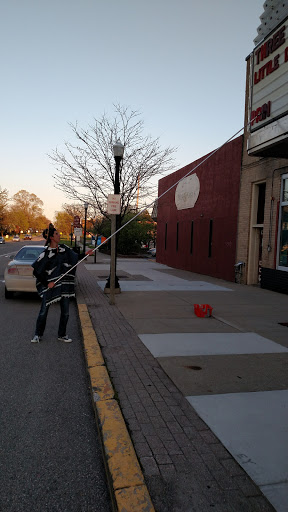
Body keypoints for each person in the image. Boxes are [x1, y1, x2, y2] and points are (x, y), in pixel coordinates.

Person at [30, 225, 79, 343]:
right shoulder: (45, 254)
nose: (59, 235)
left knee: (66, 312)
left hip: (65, 285)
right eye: (57, 234)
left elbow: (75, 258)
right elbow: (37, 271)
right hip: (50, 287)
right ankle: (38, 334)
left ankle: (62, 335)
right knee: (43, 311)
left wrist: (87, 253)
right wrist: (47, 283)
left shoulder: (64, 249)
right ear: (51, 237)